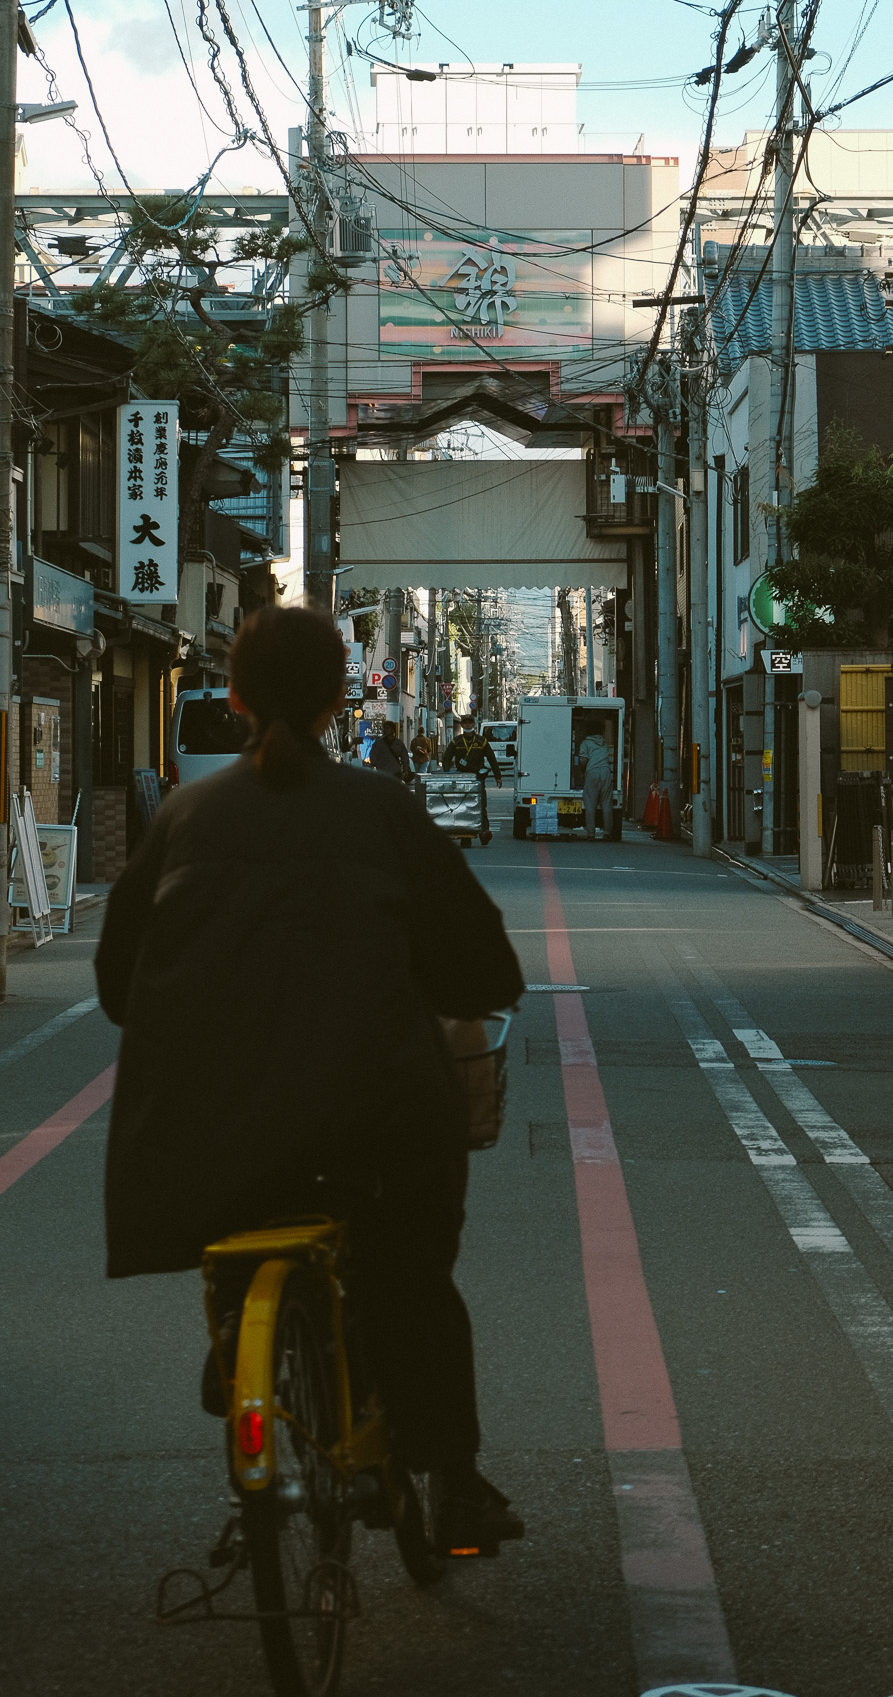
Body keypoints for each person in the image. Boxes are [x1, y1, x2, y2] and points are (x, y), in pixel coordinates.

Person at [95, 604, 526, 1554]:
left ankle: (245, 1382)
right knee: (413, 1273)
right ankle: (451, 1482)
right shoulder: (381, 809)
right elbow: (484, 972)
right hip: (376, 1122)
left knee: (238, 1231)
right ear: (342, 698)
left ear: (237, 696)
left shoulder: (185, 816)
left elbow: (118, 986)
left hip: (208, 1129)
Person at [443, 715, 501, 843]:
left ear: (474, 724)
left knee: (481, 805)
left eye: (470, 723)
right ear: (462, 725)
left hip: (478, 778)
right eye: (465, 723)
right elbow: (446, 758)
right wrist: (447, 773)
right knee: (462, 806)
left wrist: (498, 776)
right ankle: (465, 833)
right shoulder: (456, 741)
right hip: (461, 779)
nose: (468, 725)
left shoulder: (482, 741)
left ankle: (484, 831)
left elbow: (492, 759)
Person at [577, 721, 616, 841]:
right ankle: (607, 833)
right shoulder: (604, 743)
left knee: (590, 804)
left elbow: (583, 760)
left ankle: (591, 834)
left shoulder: (586, 743)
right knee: (606, 804)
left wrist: (581, 770)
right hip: (605, 772)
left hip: (592, 773)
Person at [367, 716, 413, 784]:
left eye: (387, 728)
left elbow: (404, 757)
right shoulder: (379, 743)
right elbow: (373, 756)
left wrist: (405, 770)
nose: (385, 730)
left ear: (392, 730)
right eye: (385, 728)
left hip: (394, 772)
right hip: (383, 771)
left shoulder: (398, 743)